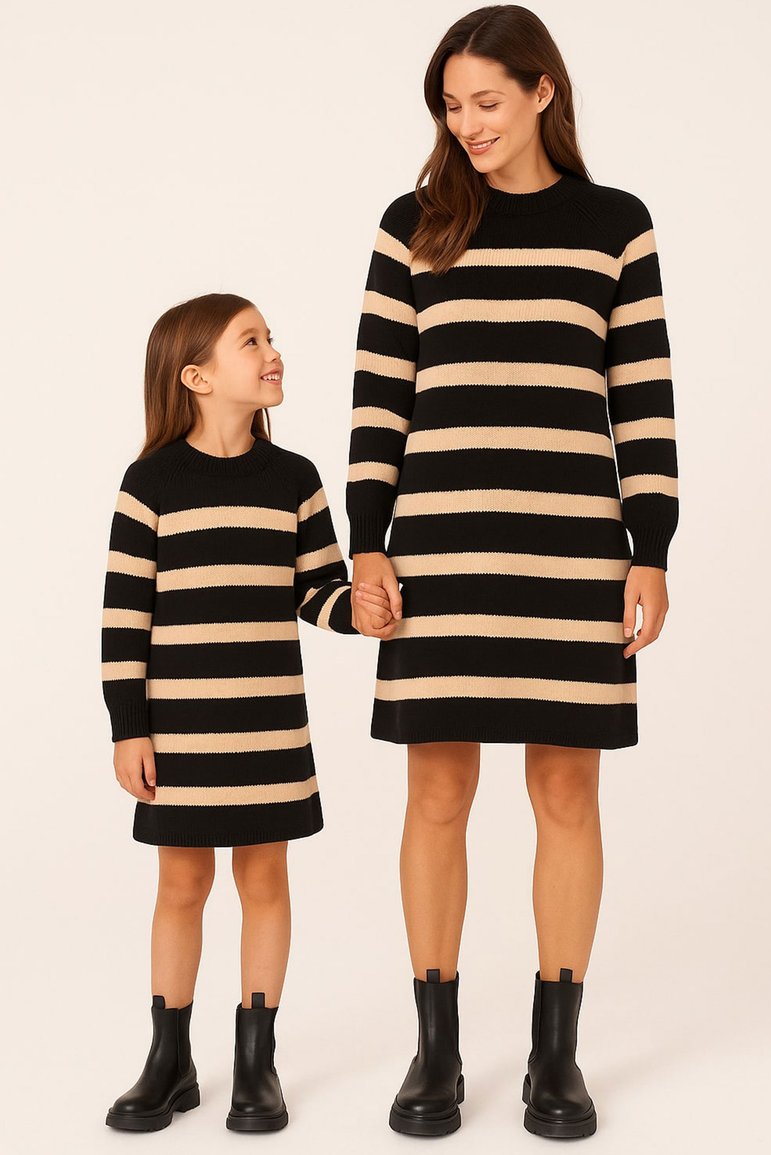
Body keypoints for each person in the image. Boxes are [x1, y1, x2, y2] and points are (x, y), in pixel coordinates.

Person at [347, 5, 679, 1139]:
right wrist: (367, 540)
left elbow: (642, 401)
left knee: (567, 795)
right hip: (438, 554)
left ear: (544, 91)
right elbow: (379, 400)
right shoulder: (413, 226)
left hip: (573, 554)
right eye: (451, 106)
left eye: (486, 100)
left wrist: (650, 549)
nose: (467, 124)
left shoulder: (615, 225)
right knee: (436, 795)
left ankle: (555, 1057)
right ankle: (434, 1053)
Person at [100, 292, 392, 1132]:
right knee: (181, 883)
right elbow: (124, 618)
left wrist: (359, 610)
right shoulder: (150, 483)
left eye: (270, 337)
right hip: (180, 730)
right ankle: (169, 1060)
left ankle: (257, 1063)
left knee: (264, 880)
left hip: (268, 727)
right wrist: (129, 726)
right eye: (250, 341)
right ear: (196, 377)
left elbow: (315, 589)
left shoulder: (293, 478)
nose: (272, 352)